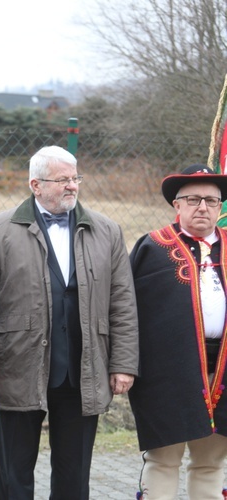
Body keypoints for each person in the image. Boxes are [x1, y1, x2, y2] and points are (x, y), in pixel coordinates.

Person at [0, 145, 139, 499]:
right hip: (20, 367)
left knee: (74, 473)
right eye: (61, 180)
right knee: (11, 473)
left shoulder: (106, 231)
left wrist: (123, 363)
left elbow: (123, 303)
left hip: (84, 370)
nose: (72, 186)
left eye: (75, 178)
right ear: (35, 184)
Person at [129, 164, 227, 499]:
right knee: (163, 460)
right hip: (167, 373)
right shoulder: (153, 248)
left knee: (210, 463)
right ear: (177, 205)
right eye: (194, 199)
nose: (203, 207)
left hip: (224, 374)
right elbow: (128, 312)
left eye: (212, 201)